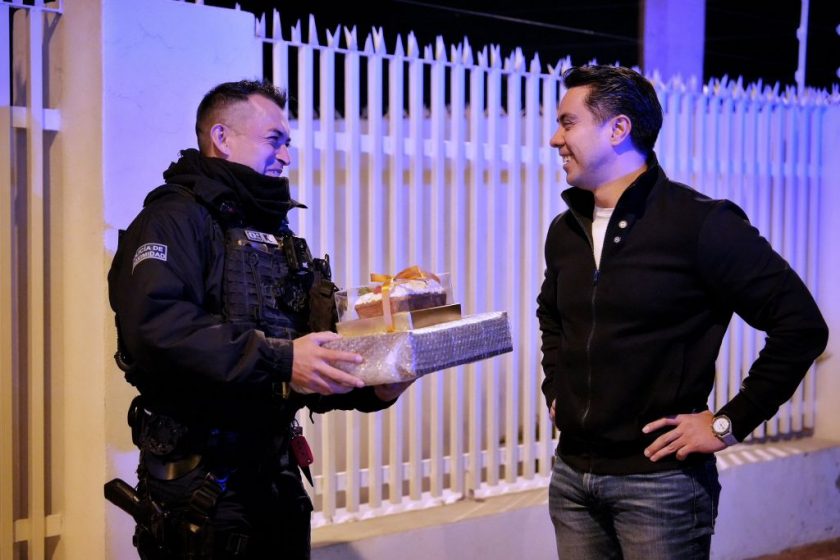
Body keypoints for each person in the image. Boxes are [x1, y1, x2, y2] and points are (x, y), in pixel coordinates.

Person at [107, 79, 410, 559]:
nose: (286, 156)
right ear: (222, 138)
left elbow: (305, 354)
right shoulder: (171, 220)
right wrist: (281, 359)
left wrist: (375, 387)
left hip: (274, 482)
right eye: (274, 140)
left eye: (287, 143)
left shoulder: (274, 234)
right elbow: (157, 329)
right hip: (202, 492)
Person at [537, 65, 828, 560]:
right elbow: (552, 317)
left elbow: (801, 327)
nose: (554, 139)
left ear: (618, 129)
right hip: (571, 480)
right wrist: (555, 389)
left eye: (568, 122)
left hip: (661, 488)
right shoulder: (565, 231)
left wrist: (727, 424)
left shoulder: (703, 224)